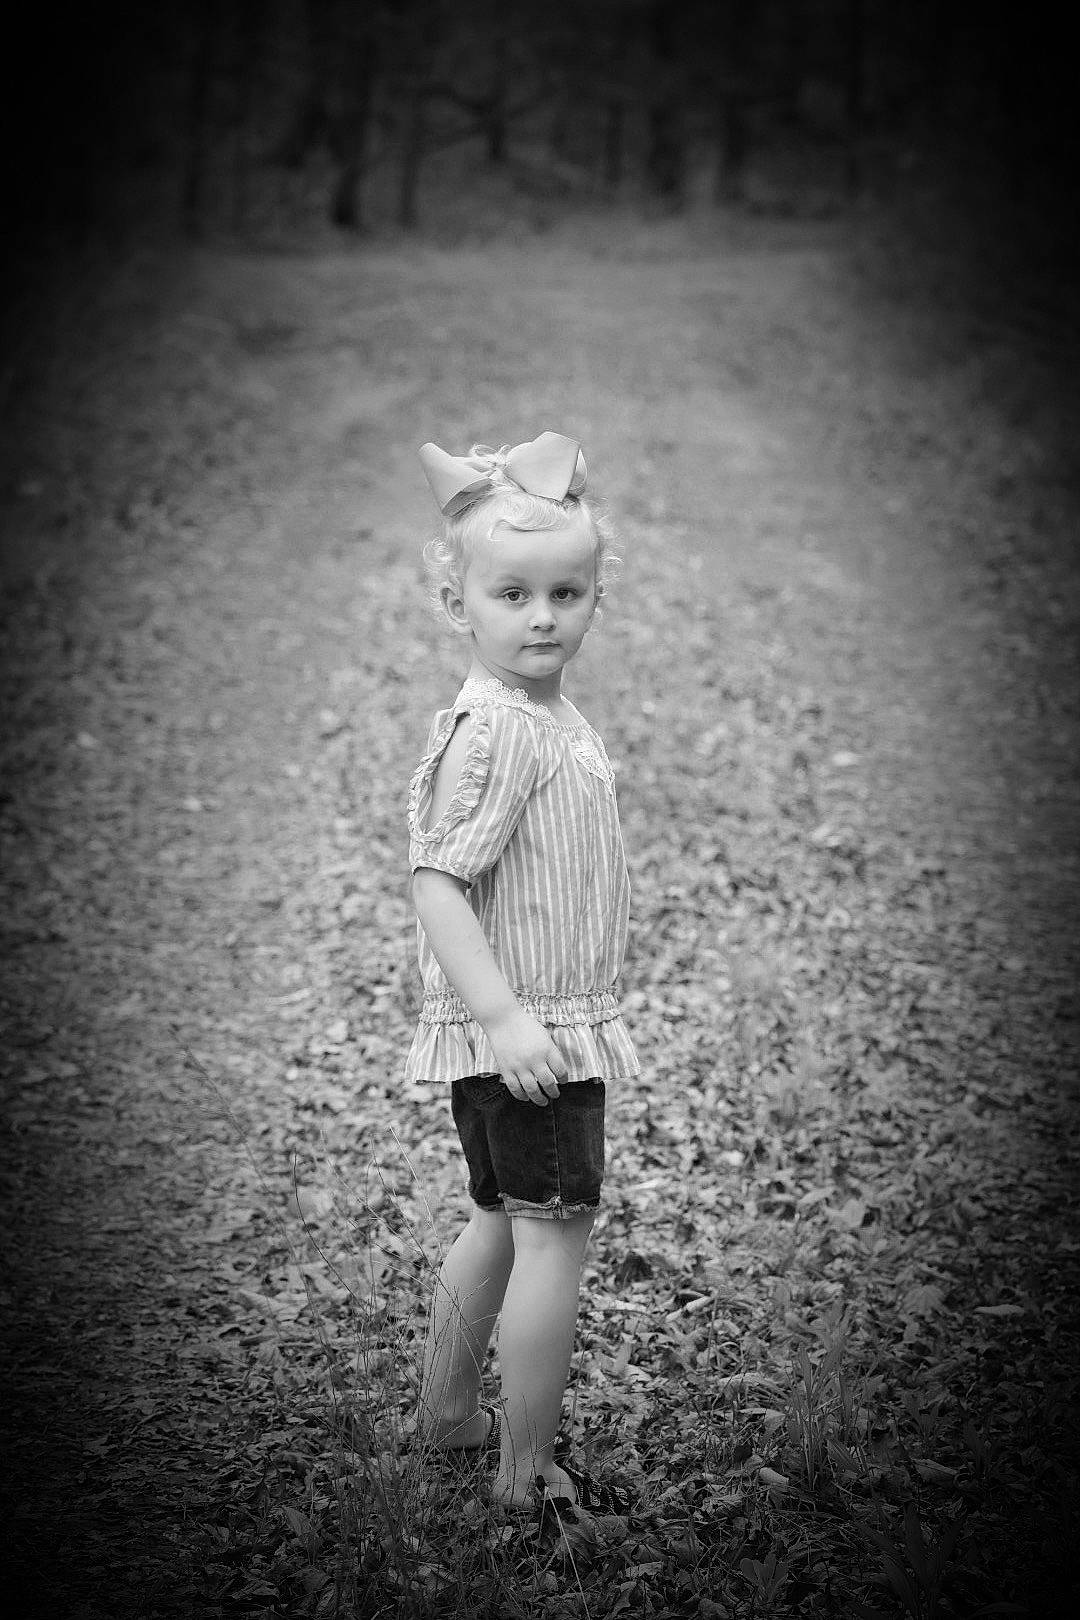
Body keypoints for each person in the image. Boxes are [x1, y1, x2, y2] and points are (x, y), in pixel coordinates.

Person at [405, 432, 639, 1520]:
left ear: (598, 595)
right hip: (530, 1036)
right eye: (512, 593)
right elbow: (439, 883)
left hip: (535, 1028)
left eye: (566, 591)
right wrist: (504, 1020)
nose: (543, 616)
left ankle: (450, 1415)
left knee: (500, 1218)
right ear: (457, 602)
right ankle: (522, 1468)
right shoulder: (499, 729)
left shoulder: (538, 709)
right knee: (553, 1237)